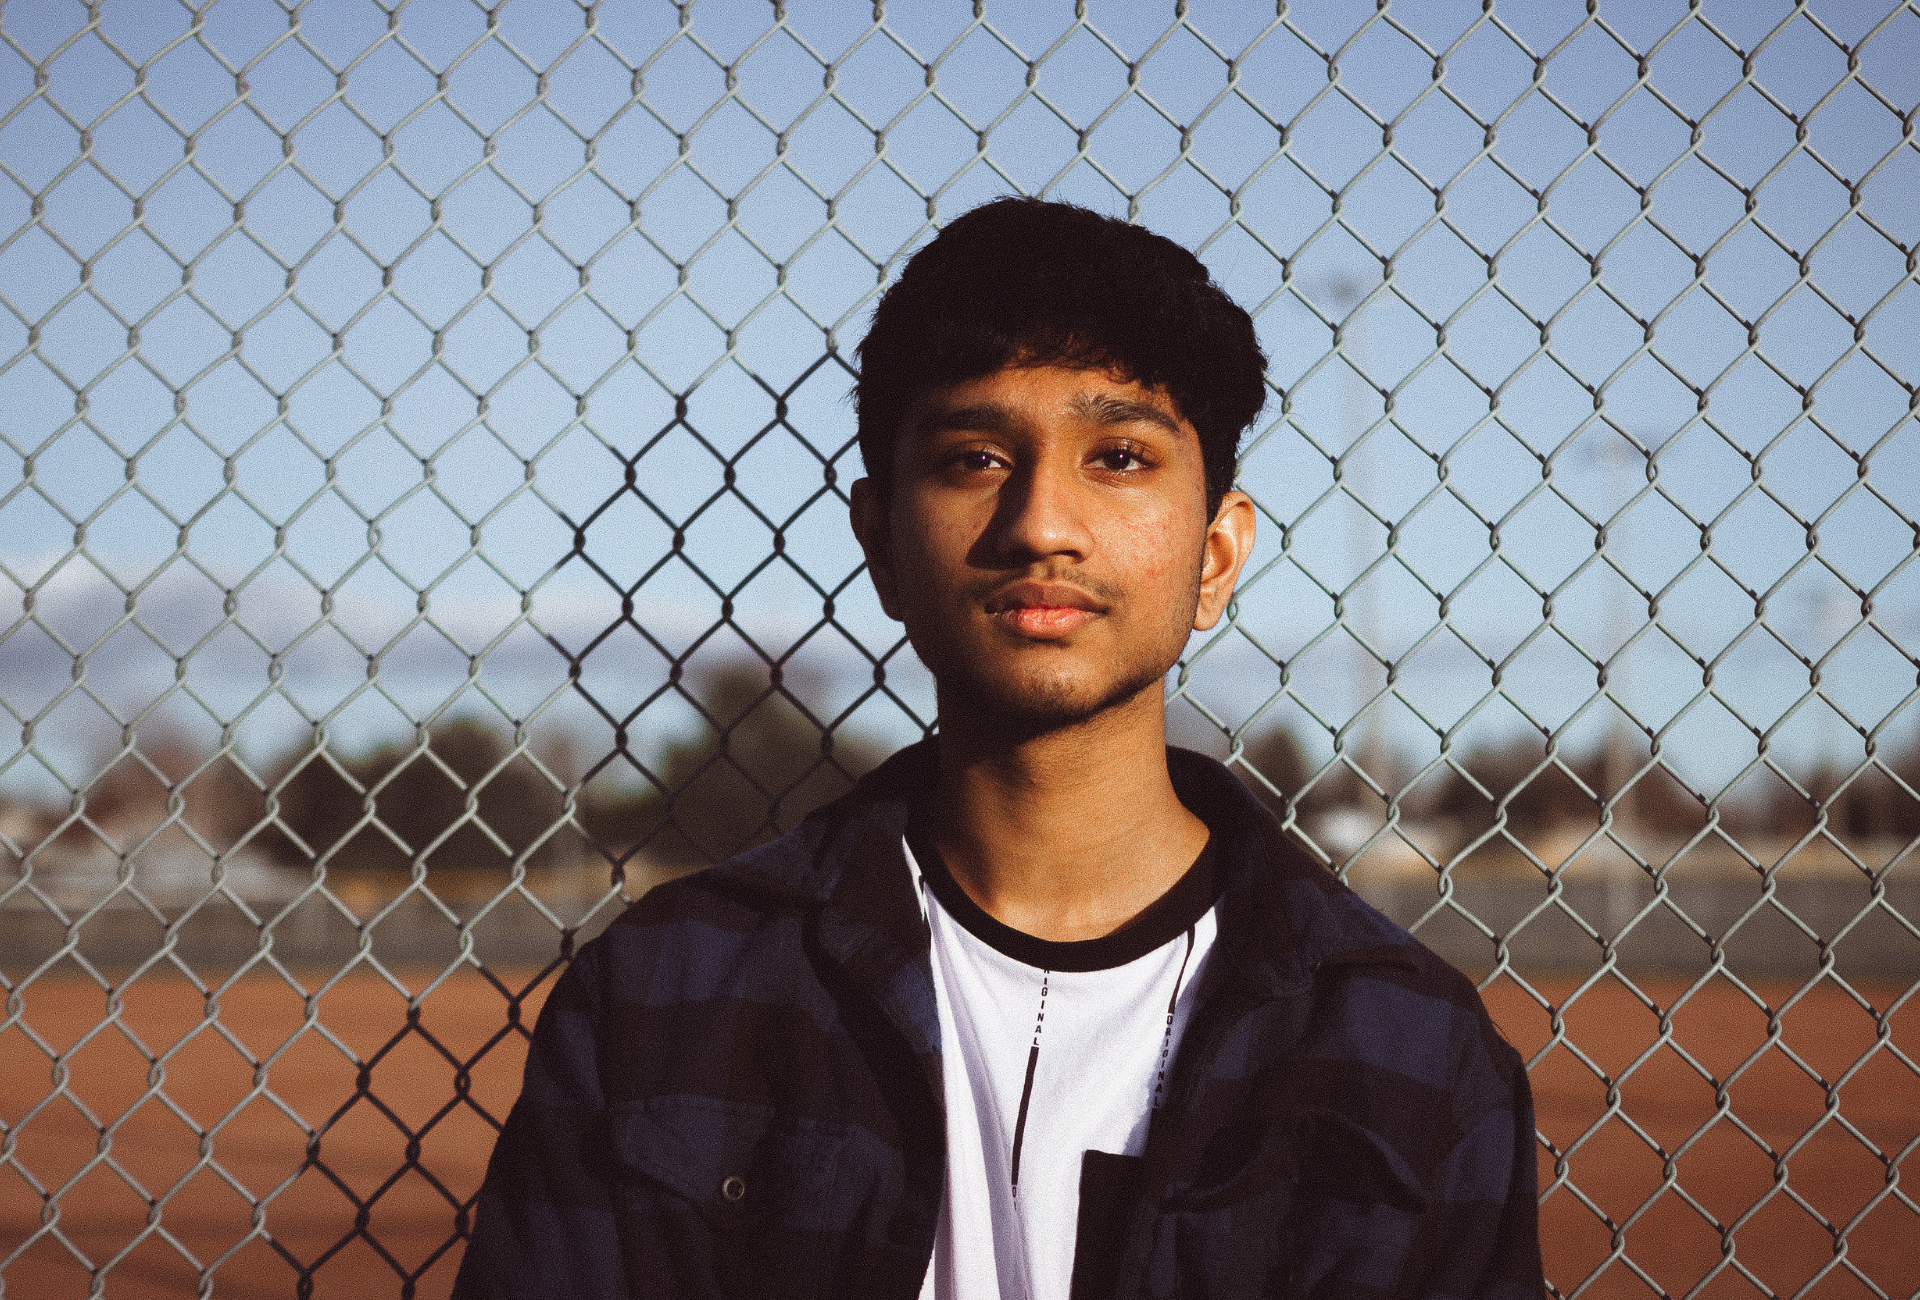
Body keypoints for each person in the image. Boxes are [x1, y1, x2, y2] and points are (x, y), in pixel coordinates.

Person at [452, 198, 1545, 1300]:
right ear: (879, 541)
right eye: (975, 457)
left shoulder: (1411, 1053)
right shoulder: (666, 999)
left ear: (1216, 554)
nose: (1040, 523)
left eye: (1118, 456)